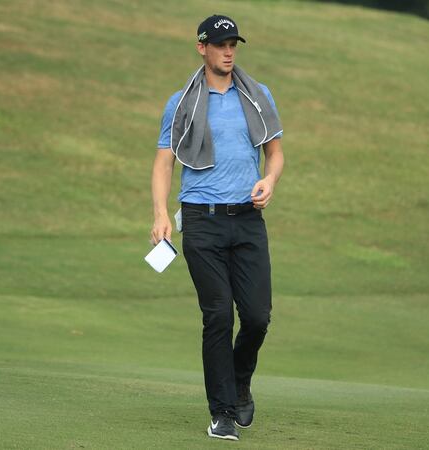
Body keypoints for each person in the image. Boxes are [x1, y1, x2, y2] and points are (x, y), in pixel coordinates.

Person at [150, 14, 284, 441]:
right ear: (202, 47)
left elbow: (275, 154)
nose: (229, 51)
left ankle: (240, 381)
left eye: (234, 45)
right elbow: (163, 162)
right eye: (221, 44)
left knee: (258, 317)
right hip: (201, 222)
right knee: (217, 316)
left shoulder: (258, 96)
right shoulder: (180, 102)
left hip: (247, 219)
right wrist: (159, 214)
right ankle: (222, 411)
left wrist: (269, 180)